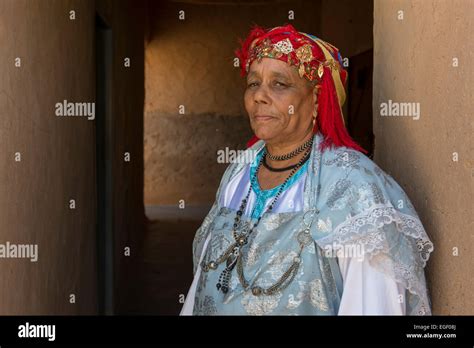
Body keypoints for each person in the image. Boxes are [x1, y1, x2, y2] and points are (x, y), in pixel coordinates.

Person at [180, 24, 433, 315]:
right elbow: (202, 284)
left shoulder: (352, 186)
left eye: (279, 84)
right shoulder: (239, 172)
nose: (259, 96)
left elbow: (370, 305)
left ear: (315, 99)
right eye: (253, 83)